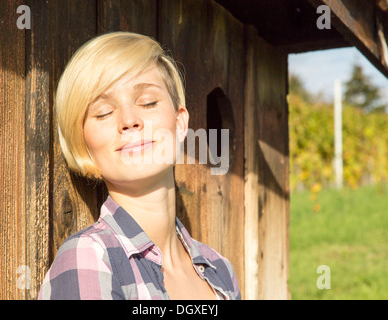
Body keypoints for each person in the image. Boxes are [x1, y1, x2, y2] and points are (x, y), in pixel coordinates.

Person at [38, 31, 240, 300]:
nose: (129, 119)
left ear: (180, 123)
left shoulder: (220, 270)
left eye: (148, 102)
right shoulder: (88, 258)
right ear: (84, 144)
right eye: (104, 112)